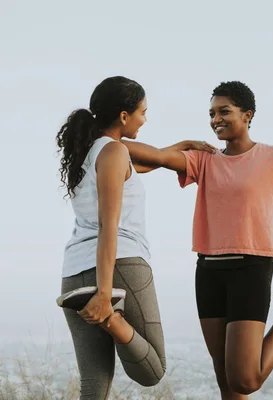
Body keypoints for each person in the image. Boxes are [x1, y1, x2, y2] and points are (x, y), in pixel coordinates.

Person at [123, 80, 273, 399]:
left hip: (251, 269)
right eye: (211, 113)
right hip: (208, 272)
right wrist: (185, 143)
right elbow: (137, 158)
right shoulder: (203, 159)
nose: (215, 119)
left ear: (247, 115)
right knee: (226, 381)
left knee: (245, 380)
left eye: (224, 111)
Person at [55, 76, 215, 399]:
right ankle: (110, 319)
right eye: (142, 112)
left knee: (94, 384)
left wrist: (186, 145)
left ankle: (107, 314)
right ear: (124, 116)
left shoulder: (90, 152)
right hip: (120, 266)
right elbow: (108, 226)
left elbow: (152, 158)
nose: (145, 118)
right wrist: (103, 294)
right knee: (153, 368)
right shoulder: (113, 153)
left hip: (73, 274)